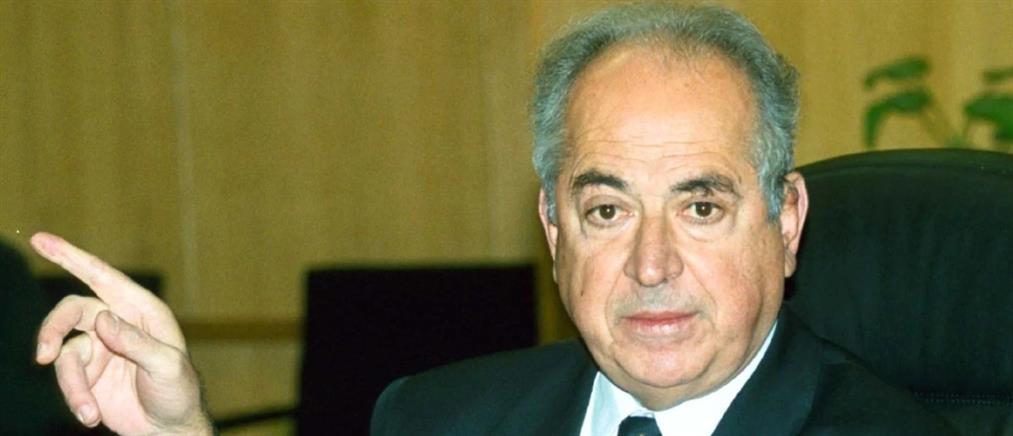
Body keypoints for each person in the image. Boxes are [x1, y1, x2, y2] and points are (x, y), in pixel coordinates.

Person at [31, 4, 954, 436]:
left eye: (700, 206)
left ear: (784, 223)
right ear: (554, 230)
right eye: (606, 209)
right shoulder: (434, 418)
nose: (650, 264)